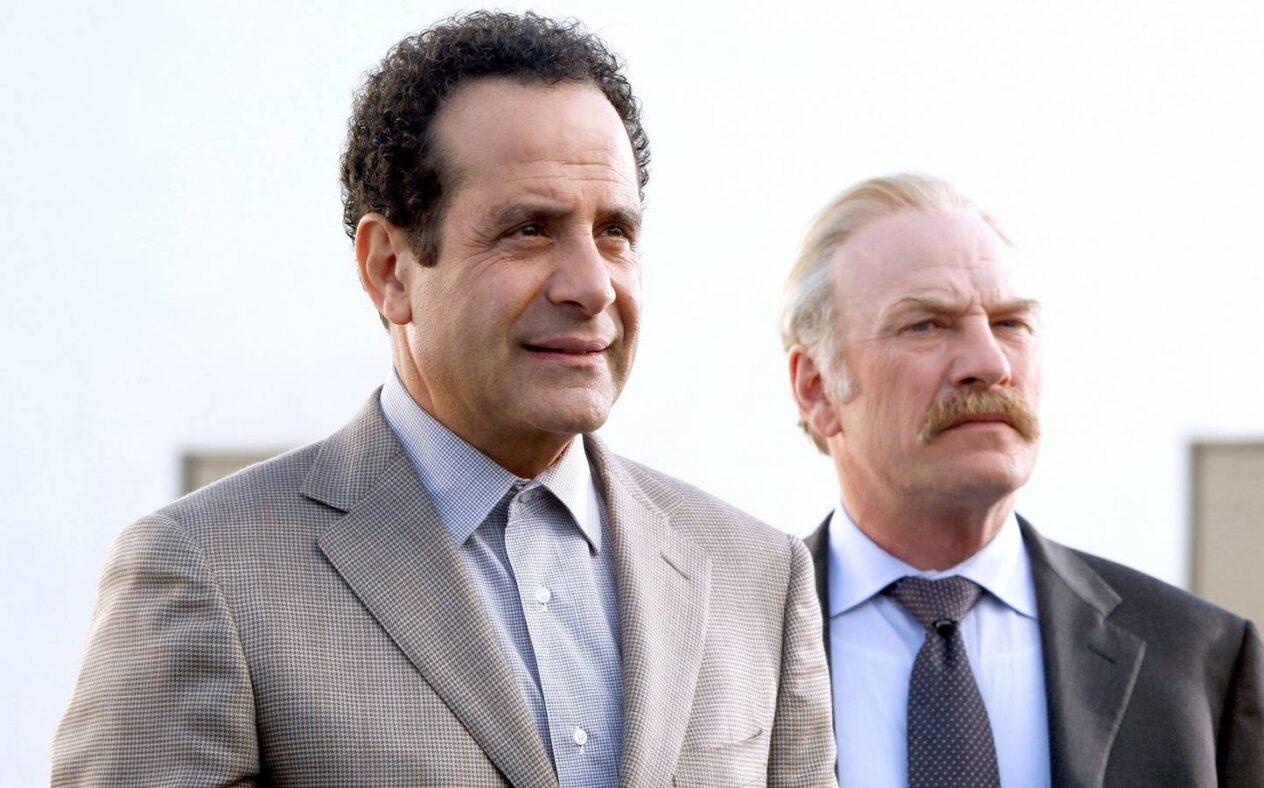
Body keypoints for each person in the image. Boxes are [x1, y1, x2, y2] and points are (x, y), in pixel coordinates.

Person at [53, 12, 835, 787]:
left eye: (614, 232)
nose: (592, 285)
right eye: (529, 229)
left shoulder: (758, 578)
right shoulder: (210, 571)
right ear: (389, 269)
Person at [782, 173, 1264, 786]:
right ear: (817, 388)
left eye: (1010, 324)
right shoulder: (722, 650)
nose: (990, 364)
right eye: (926, 325)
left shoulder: (1198, 661)